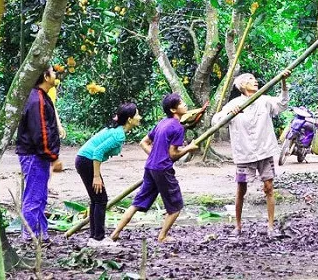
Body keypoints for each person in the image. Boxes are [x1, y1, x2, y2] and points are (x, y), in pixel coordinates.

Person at [110, 93, 201, 243]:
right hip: (163, 169)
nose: (185, 105)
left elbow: (143, 142)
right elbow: (172, 155)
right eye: (181, 103)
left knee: (136, 203)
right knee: (175, 207)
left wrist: (156, 156)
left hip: (151, 167)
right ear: (173, 110)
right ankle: (162, 236)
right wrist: (188, 148)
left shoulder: (162, 123)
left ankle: (115, 233)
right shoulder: (178, 127)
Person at [211, 70, 290, 237]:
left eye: (255, 79)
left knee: (269, 188)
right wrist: (229, 114)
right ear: (242, 86)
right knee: (241, 189)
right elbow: (215, 121)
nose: (255, 81)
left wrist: (283, 82)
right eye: (250, 79)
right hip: (244, 153)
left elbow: (282, 104)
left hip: (265, 150)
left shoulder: (264, 100)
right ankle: (238, 226)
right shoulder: (235, 104)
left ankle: (270, 226)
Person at [76, 103, 142, 247]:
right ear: (129, 119)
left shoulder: (118, 131)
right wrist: (96, 176)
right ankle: (98, 238)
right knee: (100, 199)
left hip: (84, 160)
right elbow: (98, 152)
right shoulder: (118, 135)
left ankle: (94, 237)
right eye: (137, 114)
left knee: (96, 199)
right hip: (87, 161)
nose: (140, 117)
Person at [16, 66, 63, 241]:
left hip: (37, 155)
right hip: (34, 155)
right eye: (53, 72)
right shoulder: (38, 101)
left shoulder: (41, 97)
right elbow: (41, 133)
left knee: (40, 196)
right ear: (45, 76)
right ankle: (30, 237)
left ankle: (41, 235)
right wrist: (53, 156)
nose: (55, 75)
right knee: (34, 197)